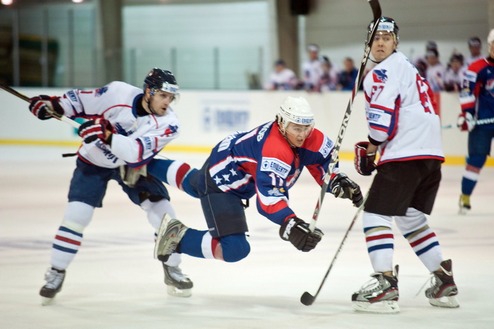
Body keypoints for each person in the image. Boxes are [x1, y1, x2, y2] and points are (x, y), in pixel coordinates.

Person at [27, 68, 193, 305]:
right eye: (163, 96)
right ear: (149, 91)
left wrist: (105, 135)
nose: (168, 102)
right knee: (77, 216)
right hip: (94, 161)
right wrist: (51, 105)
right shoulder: (118, 92)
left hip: (132, 166)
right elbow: (78, 100)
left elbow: (134, 152)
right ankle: (56, 271)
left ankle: (173, 268)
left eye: (171, 97)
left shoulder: (170, 124)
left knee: (165, 213)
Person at [148, 96, 363, 275]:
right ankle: (176, 237)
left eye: (306, 128)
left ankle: (146, 163)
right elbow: (268, 199)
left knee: (196, 184)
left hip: (227, 157)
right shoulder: (275, 150)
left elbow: (322, 160)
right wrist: (290, 223)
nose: (301, 134)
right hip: (223, 184)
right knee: (235, 249)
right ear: (281, 123)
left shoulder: (309, 136)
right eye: (296, 128)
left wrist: (335, 179)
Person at [352, 16, 459, 314]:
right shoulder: (408, 68)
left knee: (375, 215)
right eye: (376, 39)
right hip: (431, 156)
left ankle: (385, 285)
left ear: (396, 41)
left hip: (405, 154)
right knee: (411, 219)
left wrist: (370, 149)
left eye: (387, 37)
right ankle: (442, 278)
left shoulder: (381, 73)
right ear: (369, 44)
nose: (381, 42)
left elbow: (382, 126)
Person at [457, 29, 494, 214]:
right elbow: (466, 93)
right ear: (490, 45)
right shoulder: (476, 68)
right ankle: (465, 195)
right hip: (483, 123)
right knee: (476, 161)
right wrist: (468, 115)